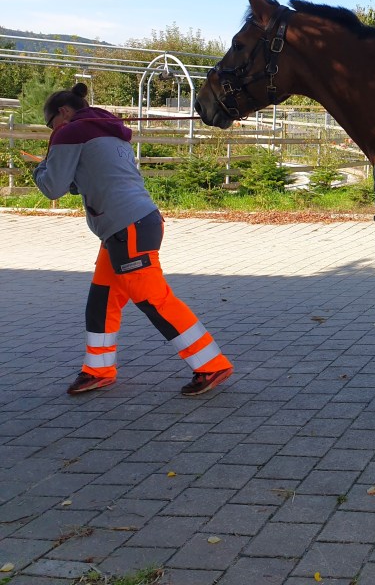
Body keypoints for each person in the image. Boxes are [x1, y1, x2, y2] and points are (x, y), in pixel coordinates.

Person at [30, 82, 233, 396]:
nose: (51, 130)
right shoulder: (109, 130)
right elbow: (87, 179)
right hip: (134, 225)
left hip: (127, 229)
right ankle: (97, 370)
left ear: (64, 112)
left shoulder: (69, 132)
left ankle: (211, 364)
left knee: (154, 300)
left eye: (50, 123)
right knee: (101, 302)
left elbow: (52, 188)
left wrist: (40, 168)